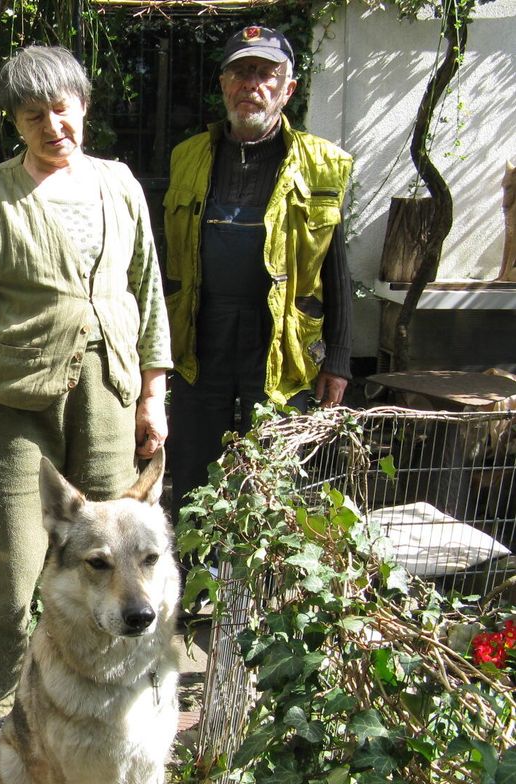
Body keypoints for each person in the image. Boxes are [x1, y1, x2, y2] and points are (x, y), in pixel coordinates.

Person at [0, 45, 172, 752]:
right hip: (13, 402)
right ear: (15, 121)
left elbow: (149, 289)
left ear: (84, 107)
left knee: (113, 557)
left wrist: (153, 392)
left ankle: (109, 692)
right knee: (8, 567)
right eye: (33, 115)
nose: (51, 127)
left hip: (109, 393)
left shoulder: (120, 185)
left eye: (61, 110)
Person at [163, 25, 354, 529]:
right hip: (200, 336)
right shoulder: (187, 156)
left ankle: (263, 575)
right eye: (241, 72)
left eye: (266, 74)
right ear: (223, 84)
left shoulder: (322, 164)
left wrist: (338, 359)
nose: (252, 84)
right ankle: (193, 574)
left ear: (288, 89)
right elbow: (166, 261)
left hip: (281, 339)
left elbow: (336, 265)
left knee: (271, 475)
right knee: (192, 468)